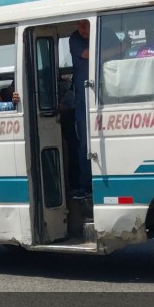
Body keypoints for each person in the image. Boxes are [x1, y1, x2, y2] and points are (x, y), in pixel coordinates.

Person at [69, 19, 92, 199]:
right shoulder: (75, 38)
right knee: (84, 144)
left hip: (103, 97)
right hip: (83, 100)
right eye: (79, 25)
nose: (82, 29)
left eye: (85, 24)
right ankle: (86, 186)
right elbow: (90, 54)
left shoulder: (107, 33)